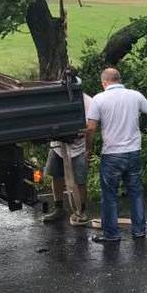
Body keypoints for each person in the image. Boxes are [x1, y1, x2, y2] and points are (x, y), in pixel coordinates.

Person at [85, 68, 147, 243]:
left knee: (110, 195)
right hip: (133, 152)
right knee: (135, 193)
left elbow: (91, 128)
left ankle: (111, 234)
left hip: (112, 155)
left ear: (104, 83)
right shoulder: (135, 96)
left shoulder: (99, 99)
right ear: (119, 79)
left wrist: (88, 150)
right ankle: (139, 231)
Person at [43, 91, 93, 225]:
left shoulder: (87, 101)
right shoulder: (56, 97)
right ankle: (59, 208)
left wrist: (88, 149)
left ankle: (81, 211)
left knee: (80, 180)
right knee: (56, 175)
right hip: (58, 146)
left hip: (77, 147)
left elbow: (90, 127)